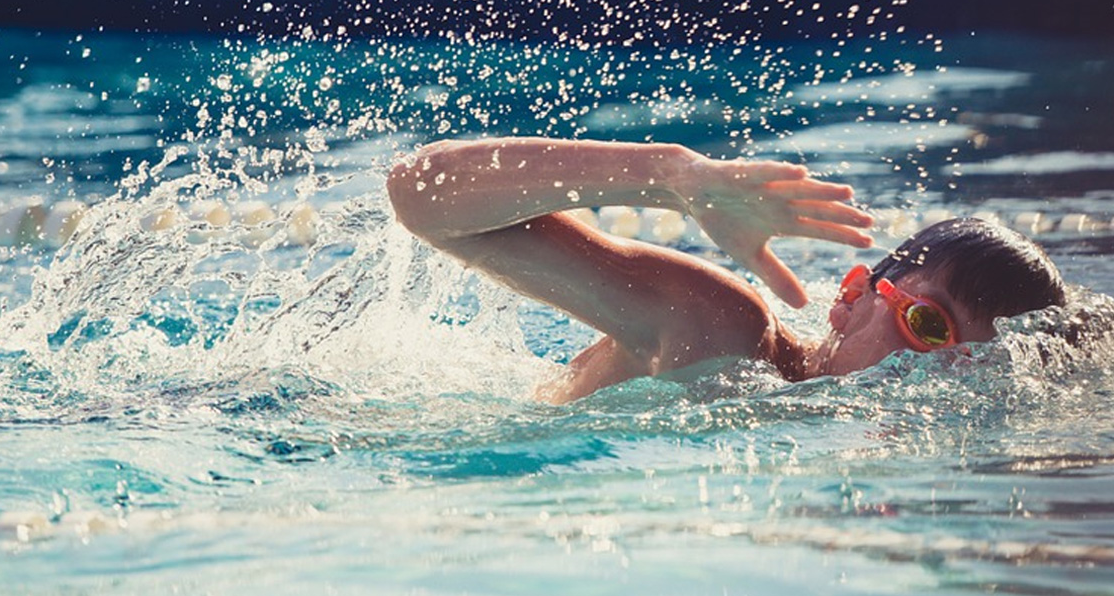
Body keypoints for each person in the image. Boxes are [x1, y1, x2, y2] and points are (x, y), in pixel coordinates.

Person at [387, 138, 1066, 402]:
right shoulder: (722, 331)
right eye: (927, 325)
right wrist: (670, 177)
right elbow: (420, 195)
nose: (929, 377)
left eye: (969, 366)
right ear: (852, 295)